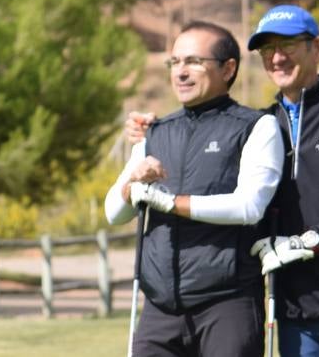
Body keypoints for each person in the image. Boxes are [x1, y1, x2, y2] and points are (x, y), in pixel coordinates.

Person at [126, 5, 319, 357]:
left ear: (316, 48)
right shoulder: (263, 123)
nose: (277, 57)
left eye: (287, 45)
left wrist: (313, 240)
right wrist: (156, 130)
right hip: (295, 308)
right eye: (267, 49)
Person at [105, 20, 284, 357]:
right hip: (159, 306)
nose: (181, 72)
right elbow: (113, 212)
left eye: (194, 62)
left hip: (226, 303)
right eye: (175, 62)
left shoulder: (257, 127)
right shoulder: (155, 132)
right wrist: (132, 185)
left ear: (228, 68)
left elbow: (249, 207)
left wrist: (169, 202)